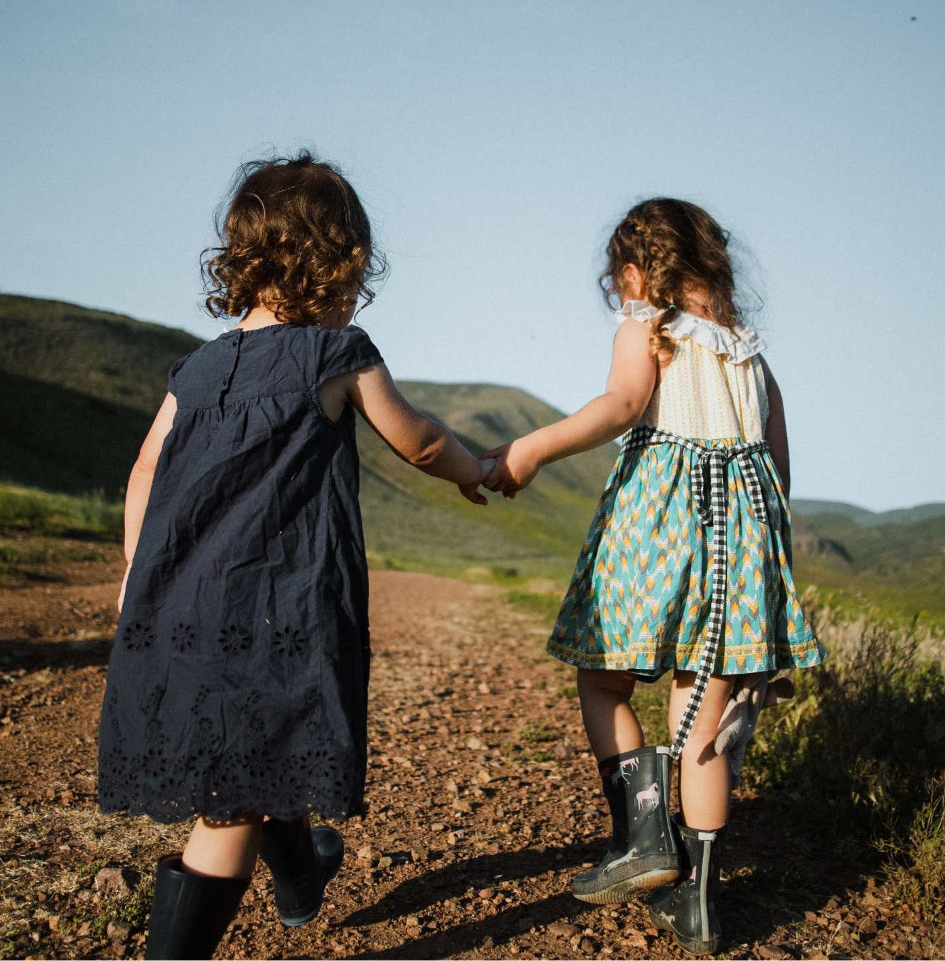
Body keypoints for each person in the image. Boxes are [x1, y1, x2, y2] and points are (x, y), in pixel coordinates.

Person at [96, 151, 495, 960]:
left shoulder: (197, 368)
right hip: (276, 607)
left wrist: (137, 578)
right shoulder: (336, 353)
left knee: (249, 753)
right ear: (336, 261)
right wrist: (478, 469)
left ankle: (304, 872)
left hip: (176, 603)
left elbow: (143, 470)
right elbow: (416, 441)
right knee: (229, 805)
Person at [482, 198, 825, 955]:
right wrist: (763, 564)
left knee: (603, 678)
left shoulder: (649, 326)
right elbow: (778, 467)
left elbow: (622, 404)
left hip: (659, 527)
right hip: (744, 540)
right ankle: (698, 904)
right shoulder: (748, 351)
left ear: (638, 272)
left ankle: (643, 837)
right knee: (702, 724)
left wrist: (530, 450)